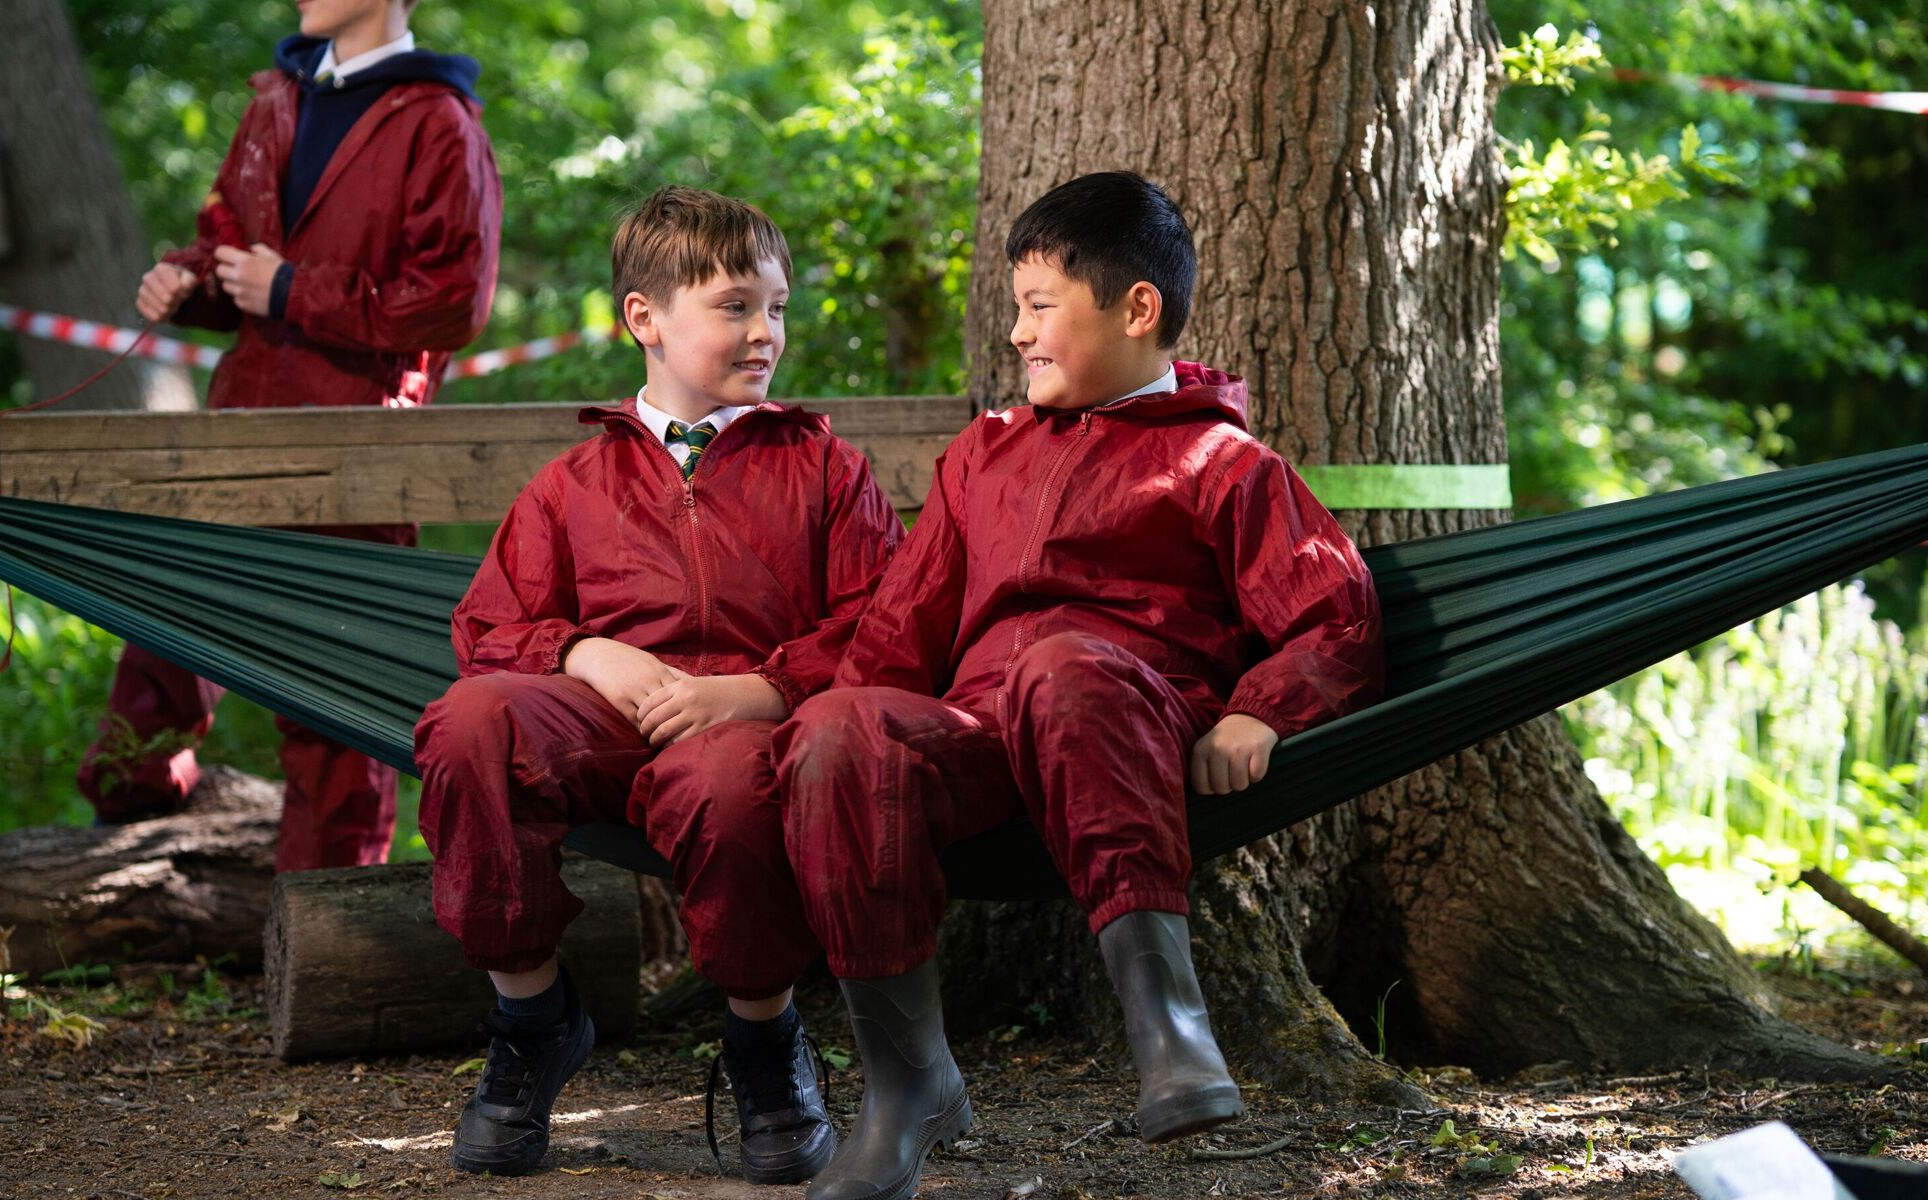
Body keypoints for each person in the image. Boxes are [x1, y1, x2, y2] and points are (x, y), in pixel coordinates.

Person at [776, 171, 1386, 1200]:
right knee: (841, 728)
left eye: (1038, 306)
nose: (1016, 333)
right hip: (975, 743)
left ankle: (1170, 1031)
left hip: (1118, 723)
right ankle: (904, 1087)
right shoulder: (984, 456)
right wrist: (813, 732)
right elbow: (895, 638)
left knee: (1063, 667)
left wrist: (1255, 709)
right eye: (1016, 308)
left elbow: (1337, 618)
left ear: (1135, 308)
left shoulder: (1218, 460)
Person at [413, 186, 903, 1180]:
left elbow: (882, 627)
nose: (764, 331)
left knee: (726, 785)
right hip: (603, 720)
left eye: (775, 306)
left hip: (748, 729)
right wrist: (586, 654)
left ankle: (764, 1042)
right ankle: (531, 1019)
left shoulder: (823, 470)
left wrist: (757, 693)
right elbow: (488, 628)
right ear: (644, 317)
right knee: (468, 724)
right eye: (733, 305)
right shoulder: (574, 485)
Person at [78, 0, 503, 873]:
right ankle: (117, 855)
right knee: (163, 624)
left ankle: (328, 922)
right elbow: (226, 241)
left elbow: (452, 303)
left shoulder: (440, 121)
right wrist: (185, 283)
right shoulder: (275, 99)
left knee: (328, 692)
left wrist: (292, 291)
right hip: (237, 424)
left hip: (355, 447)